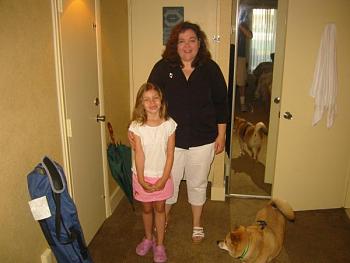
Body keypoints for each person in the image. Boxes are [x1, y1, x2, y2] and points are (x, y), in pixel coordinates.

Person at [146, 21, 228, 243]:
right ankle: (165, 219)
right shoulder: (163, 68)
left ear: (199, 43)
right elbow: (150, 101)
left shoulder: (211, 69)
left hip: (203, 138)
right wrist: (146, 133)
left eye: (192, 40)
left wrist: (221, 135)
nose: (187, 46)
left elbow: (221, 103)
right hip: (171, 140)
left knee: (198, 182)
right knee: (169, 183)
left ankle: (197, 224)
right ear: (175, 44)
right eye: (182, 41)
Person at [129, 82, 177, 263]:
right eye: (147, 99)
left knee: (160, 208)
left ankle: (160, 244)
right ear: (141, 103)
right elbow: (139, 153)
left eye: (155, 98)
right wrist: (141, 179)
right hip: (142, 175)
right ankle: (149, 238)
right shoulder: (136, 127)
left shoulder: (169, 125)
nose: (152, 103)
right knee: (147, 208)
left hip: (162, 176)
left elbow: (171, 153)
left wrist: (164, 178)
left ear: (161, 100)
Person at [236, 9, 253, 112]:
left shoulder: (243, 24)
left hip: (241, 56)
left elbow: (250, 36)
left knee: (241, 81)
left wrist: (240, 25)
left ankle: (242, 104)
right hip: (231, 54)